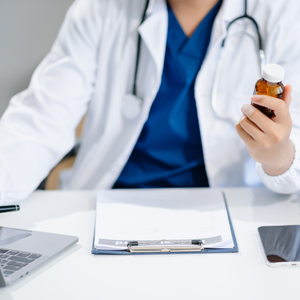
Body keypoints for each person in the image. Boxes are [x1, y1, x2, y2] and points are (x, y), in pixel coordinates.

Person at [0, 0, 300, 204]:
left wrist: (278, 155)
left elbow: (293, 148)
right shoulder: (101, 8)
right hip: (109, 205)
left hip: (227, 210)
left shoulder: (283, 13)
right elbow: (39, 119)